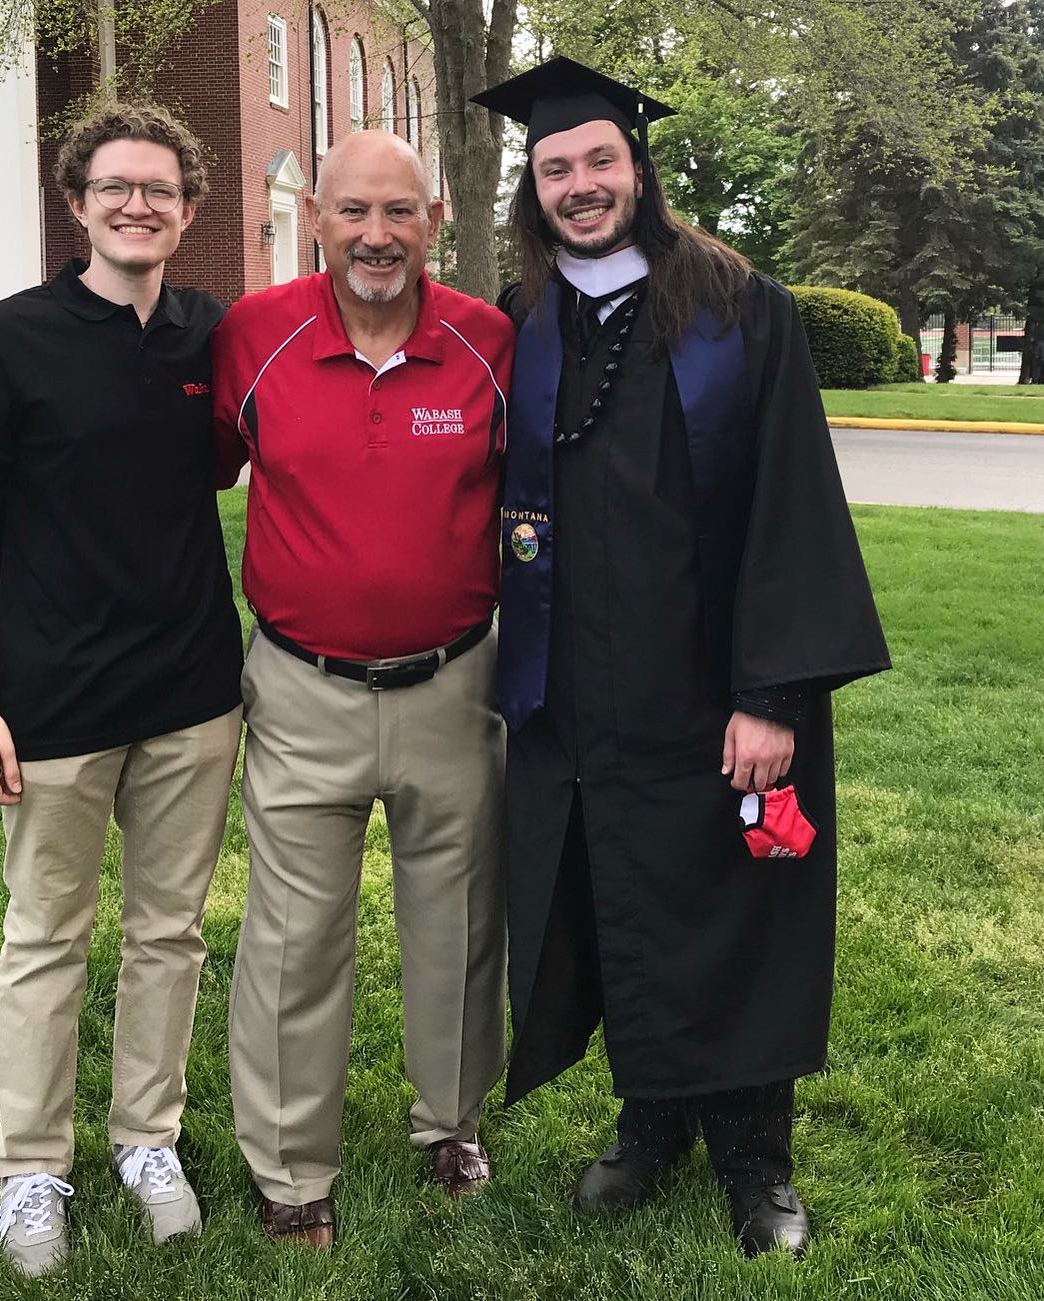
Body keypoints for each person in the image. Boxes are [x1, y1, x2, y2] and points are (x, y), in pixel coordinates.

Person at [470, 57, 891, 1258]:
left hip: (714, 687)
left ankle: (756, 1159)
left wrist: (769, 694)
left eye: (599, 159)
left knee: (735, 907)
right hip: (581, 690)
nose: (580, 184)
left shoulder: (734, 305)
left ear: (638, 169)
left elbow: (790, 503)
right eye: (555, 168)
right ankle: (649, 1120)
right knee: (615, 899)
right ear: (534, 187)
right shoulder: (531, 311)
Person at [0, 102, 243, 1277]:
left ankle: (145, 1140)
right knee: (45, 938)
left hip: (192, 695)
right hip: (50, 701)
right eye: (115, 186)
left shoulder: (209, 335)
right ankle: (31, 1169)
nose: (137, 205)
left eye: (159, 189)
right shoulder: (7, 340)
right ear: (77, 202)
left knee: (168, 935)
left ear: (186, 208)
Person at [213, 130, 514, 1249]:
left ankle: (449, 1121)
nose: (374, 236)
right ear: (317, 219)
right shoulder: (256, 334)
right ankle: (291, 1167)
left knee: (459, 917)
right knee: (293, 935)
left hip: (452, 681)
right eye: (352, 212)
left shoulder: (488, 342)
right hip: (300, 686)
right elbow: (180, 464)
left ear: (433, 217)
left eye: (397, 212)